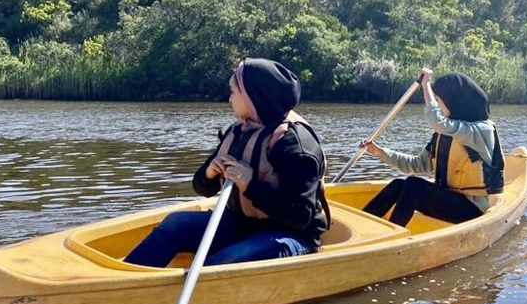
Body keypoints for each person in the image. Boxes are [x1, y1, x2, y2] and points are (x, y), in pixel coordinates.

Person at [124, 58, 329, 267]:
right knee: (175, 224)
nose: (229, 98)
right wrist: (209, 174)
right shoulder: (240, 131)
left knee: (222, 262)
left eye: (234, 92)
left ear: (252, 97)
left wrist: (251, 185)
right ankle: (129, 277)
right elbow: (202, 187)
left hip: (291, 235)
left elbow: (301, 215)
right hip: (241, 224)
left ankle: (202, 289)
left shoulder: (295, 143)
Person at [359, 68, 504, 227]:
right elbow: (416, 164)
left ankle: (391, 235)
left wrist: (426, 84)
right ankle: (363, 226)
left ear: (453, 101)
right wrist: (381, 152)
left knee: (414, 186)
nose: (437, 104)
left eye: (438, 99)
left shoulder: (480, 130)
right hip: (449, 200)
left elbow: (437, 121)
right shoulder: (446, 133)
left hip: (471, 210)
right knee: (399, 185)